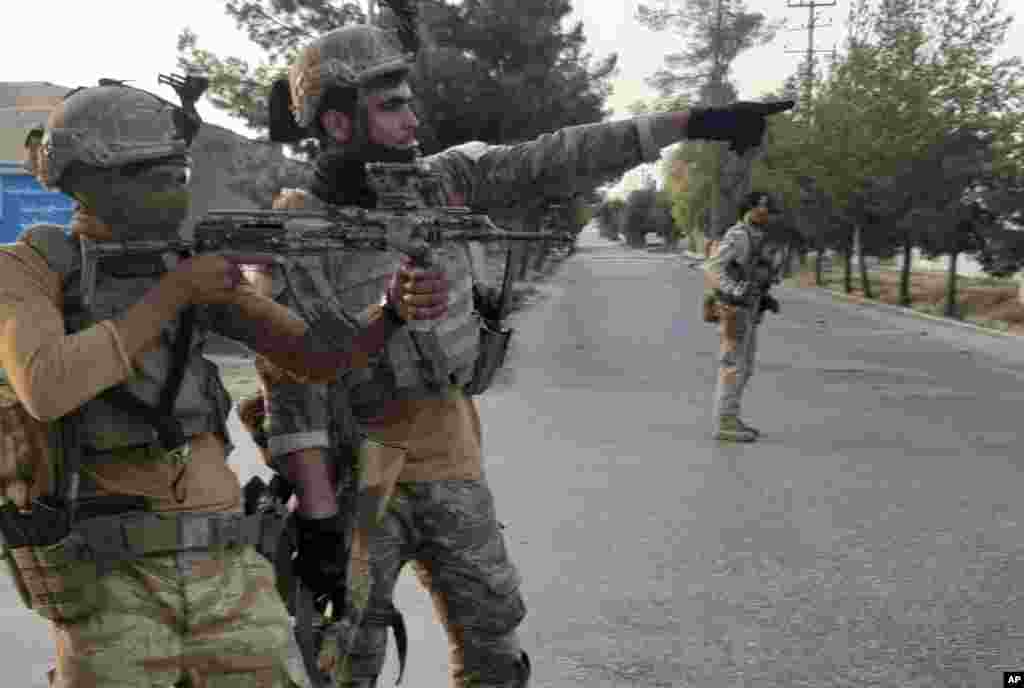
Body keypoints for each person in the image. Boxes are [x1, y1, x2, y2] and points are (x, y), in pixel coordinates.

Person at [245, 23, 793, 688]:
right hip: (353, 464)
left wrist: (694, 121)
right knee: (345, 658)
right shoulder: (295, 231)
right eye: (391, 107)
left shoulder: (439, 184)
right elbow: (290, 390)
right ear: (336, 122)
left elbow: (556, 156)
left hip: (449, 447)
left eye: (409, 102)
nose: (413, 119)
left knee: (493, 643)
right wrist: (323, 521)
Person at [0, 78, 446, 688]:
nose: (176, 188)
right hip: (105, 577)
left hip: (228, 567)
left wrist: (391, 312)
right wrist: (174, 293)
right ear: (91, 180)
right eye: (153, 173)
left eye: (177, 171)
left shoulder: (184, 265)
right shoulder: (27, 268)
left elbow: (316, 360)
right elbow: (45, 386)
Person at [703, 191, 788, 442]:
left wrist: (764, 297)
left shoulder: (758, 237)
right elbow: (713, 267)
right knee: (733, 365)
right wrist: (734, 290)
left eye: (769, 210)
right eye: (762, 209)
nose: (767, 214)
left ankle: (731, 416)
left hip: (749, 309)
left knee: (745, 367)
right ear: (750, 209)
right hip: (735, 310)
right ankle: (725, 422)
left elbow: (756, 274)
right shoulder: (739, 235)